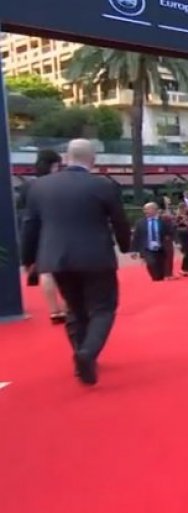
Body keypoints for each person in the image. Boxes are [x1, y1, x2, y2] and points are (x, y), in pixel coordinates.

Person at [20, 139, 131, 385]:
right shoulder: (103, 185)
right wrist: (126, 246)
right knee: (103, 308)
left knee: (75, 308)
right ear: (93, 160)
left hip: (57, 257)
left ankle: (81, 354)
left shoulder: (40, 187)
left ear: (65, 158)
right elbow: (120, 221)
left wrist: (28, 259)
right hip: (96, 257)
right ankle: (87, 354)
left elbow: (30, 226)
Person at [18, 149, 67, 324]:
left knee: (46, 272)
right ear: (54, 165)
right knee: (64, 269)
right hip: (58, 230)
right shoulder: (60, 184)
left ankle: (54, 310)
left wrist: (26, 254)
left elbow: (24, 214)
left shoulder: (28, 187)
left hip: (37, 231)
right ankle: (68, 306)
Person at [130, 202, 175, 282]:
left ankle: (159, 278)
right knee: (151, 263)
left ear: (155, 209)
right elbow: (136, 237)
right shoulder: (140, 222)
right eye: (144, 209)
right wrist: (133, 250)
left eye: (147, 209)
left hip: (161, 248)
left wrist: (170, 238)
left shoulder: (163, 220)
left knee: (160, 265)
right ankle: (156, 278)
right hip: (147, 248)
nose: (145, 211)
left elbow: (171, 231)